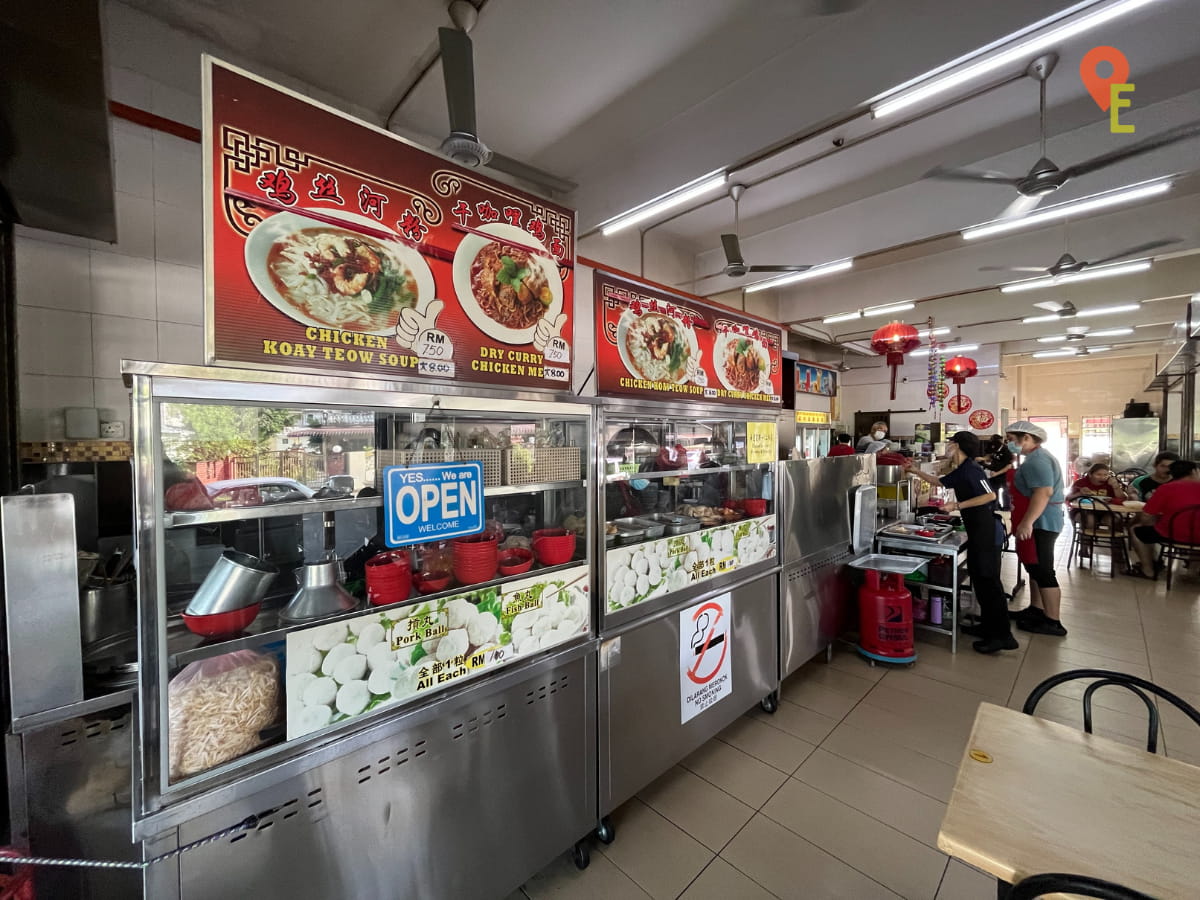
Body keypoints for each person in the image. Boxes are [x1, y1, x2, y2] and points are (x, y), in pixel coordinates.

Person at [905, 432, 1015, 653]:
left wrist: (957, 506)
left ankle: (1002, 636)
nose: (947, 447)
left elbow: (989, 496)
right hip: (977, 531)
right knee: (981, 581)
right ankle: (989, 627)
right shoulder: (963, 469)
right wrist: (915, 471)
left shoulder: (972, 469)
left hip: (986, 531)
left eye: (949, 443)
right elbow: (939, 481)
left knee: (989, 582)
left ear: (957, 445)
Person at [1007, 421, 1068, 637]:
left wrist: (1027, 521)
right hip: (1041, 519)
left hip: (1042, 521)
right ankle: (1036, 609)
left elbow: (1043, 492)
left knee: (1043, 570)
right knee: (1033, 566)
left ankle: (1053, 621)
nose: (1010, 444)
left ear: (1026, 438)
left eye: (1012, 440)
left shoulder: (1037, 461)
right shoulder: (1035, 457)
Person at [1128, 459, 1200, 578]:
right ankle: (1192, 571)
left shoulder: (1167, 488)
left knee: (1135, 529)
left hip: (1173, 535)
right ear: (1194, 472)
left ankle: (1148, 570)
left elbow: (1146, 517)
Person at [981, 434, 1013, 510]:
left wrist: (997, 473)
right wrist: (983, 459)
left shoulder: (1007, 451)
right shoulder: (994, 448)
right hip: (993, 475)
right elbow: (989, 456)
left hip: (1003, 475)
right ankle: (995, 507)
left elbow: (1008, 467)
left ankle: (1006, 508)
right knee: (993, 491)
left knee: (1005, 492)